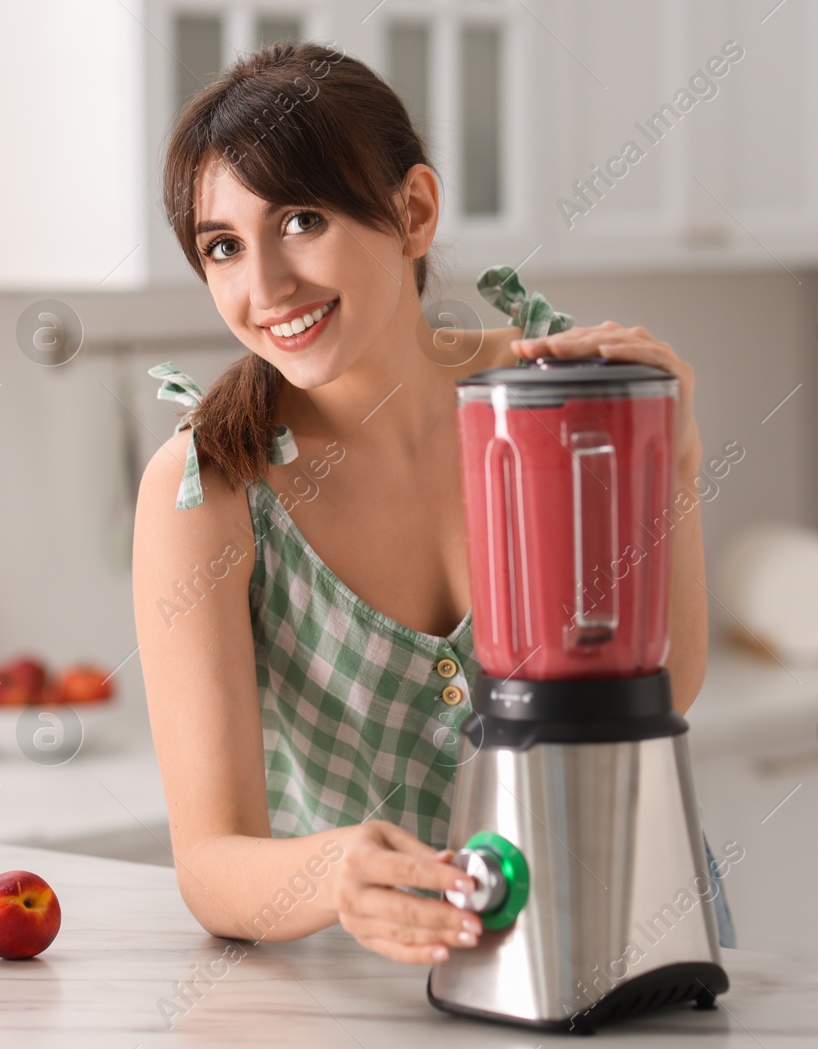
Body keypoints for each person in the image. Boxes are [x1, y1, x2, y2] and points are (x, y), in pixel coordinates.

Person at [133, 42, 732, 967]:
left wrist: (676, 456)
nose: (265, 289)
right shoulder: (208, 488)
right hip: (376, 983)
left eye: (300, 219)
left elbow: (665, 685)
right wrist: (337, 872)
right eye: (223, 246)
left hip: (622, 929)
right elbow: (211, 865)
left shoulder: (556, 400)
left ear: (412, 212)